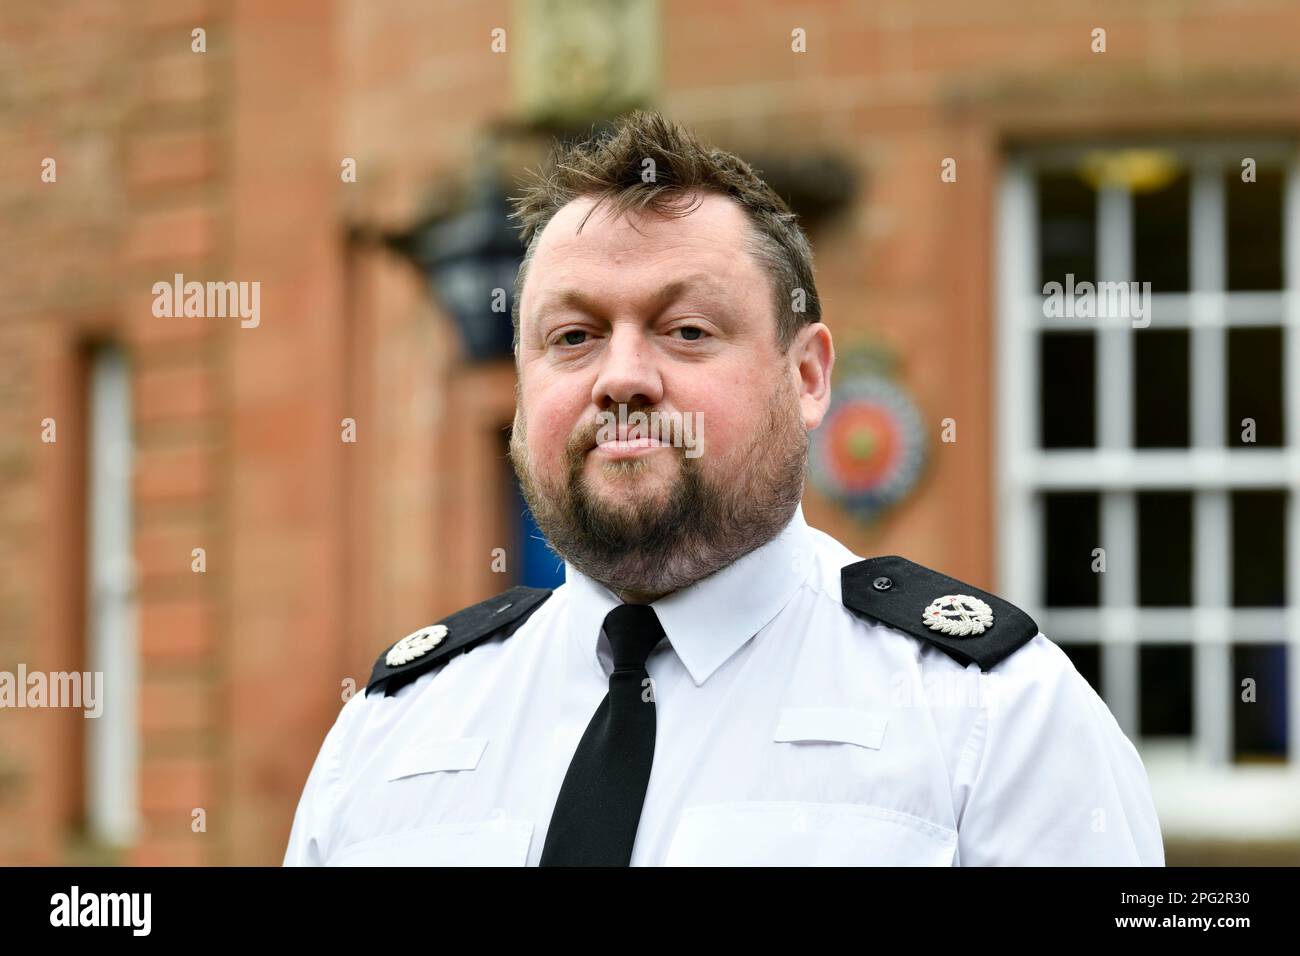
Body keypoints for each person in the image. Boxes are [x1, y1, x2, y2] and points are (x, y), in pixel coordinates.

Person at [283, 111, 1164, 866]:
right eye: (574, 336)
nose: (620, 377)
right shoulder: (391, 732)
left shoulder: (992, 719)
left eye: (688, 329)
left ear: (809, 376)